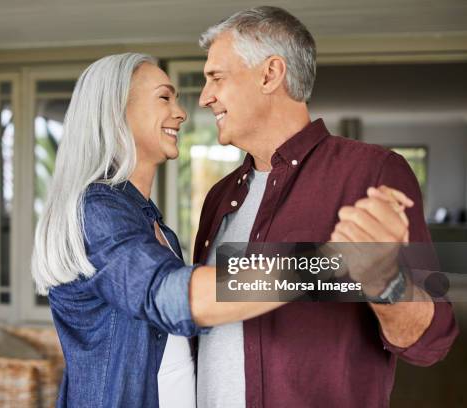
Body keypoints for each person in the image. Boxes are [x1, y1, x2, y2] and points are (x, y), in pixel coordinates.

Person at [193, 6, 459, 408]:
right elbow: (209, 306)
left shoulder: (371, 172)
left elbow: (431, 341)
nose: (204, 97)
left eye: (216, 77)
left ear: (270, 74)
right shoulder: (221, 195)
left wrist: (385, 282)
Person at [30, 53, 293, 408]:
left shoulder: (152, 225)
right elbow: (169, 295)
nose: (181, 112)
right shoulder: (96, 210)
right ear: (115, 112)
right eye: (164, 97)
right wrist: (320, 267)